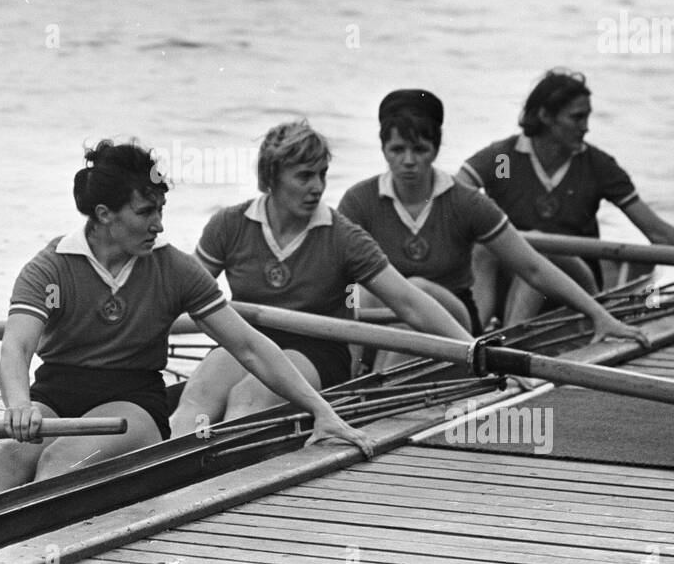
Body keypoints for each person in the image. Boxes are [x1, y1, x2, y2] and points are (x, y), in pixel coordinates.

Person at [0, 140, 374, 505]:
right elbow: (16, 351)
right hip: (56, 393)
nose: (159, 224)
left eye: (161, 209)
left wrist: (321, 410)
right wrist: (19, 406)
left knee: (61, 461)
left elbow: (248, 346)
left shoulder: (173, 269)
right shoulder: (50, 268)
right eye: (145, 212)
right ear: (104, 215)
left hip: (132, 401)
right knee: (6, 456)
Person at [168, 121, 474, 438]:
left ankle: (225, 478)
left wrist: (473, 350)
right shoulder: (228, 225)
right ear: (269, 179)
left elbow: (410, 304)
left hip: (317, 349)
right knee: (198, 395)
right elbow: (182, 298)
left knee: (249, 398)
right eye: (304, 176)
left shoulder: (343, 237)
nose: (318, 187)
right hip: (248, 338)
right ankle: (169, 476)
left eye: (322, 174)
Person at [338, 90, 648, 369]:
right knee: (354, 297)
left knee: (416, 288)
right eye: (397, 149)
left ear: (435, 148)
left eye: (419, 149)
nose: (408, 161)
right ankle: (345, 382)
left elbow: (534, 267)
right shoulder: (360, 200)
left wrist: (600, 316)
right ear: (382, 148)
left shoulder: (465, 202)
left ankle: (367, 390)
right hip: (390, 315)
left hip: (456, 319)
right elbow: (334, 277)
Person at [458, 68, 674, 326]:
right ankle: (473, 338)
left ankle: (507, 349)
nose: (586, 127)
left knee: (538, 251)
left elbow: (656, 231)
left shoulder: (596, 166)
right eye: (577, 118)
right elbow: (455, 197)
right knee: (485, 249)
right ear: (545, 116)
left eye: (587, 117)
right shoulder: (505, 161)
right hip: (515, 276)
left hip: (579, 284)